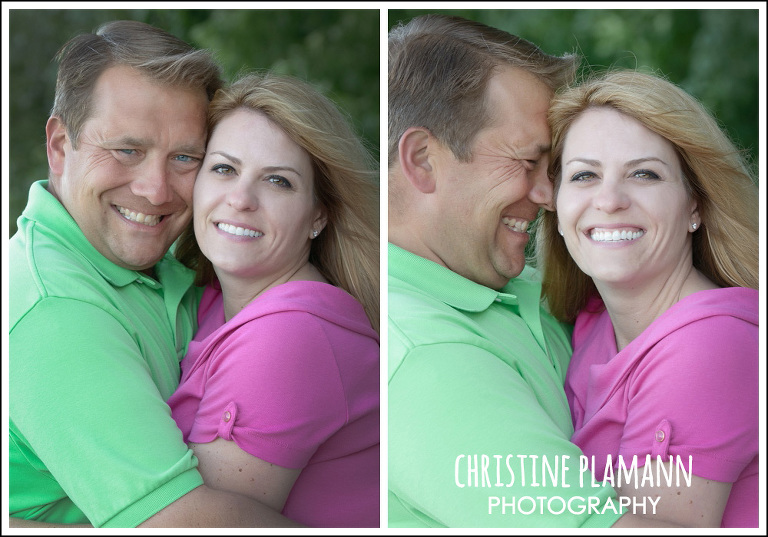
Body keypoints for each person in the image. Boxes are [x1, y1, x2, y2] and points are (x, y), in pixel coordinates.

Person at [9, 20, 299, 528]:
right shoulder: (53, 306)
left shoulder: (172, 267)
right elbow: (176, 523)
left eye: (185, 157)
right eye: (127, 150)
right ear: (59, 146)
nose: (156, 189)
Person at [387, 14, 669, 528]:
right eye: (526, 162)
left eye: (554, 169)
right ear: (423, 159)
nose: (548, 196)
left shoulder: (526, 288)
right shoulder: (423, 358)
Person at [536, 69, 759, 527]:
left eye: (644, 173)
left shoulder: (710, 345)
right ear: (556, 207)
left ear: (694, 205)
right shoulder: (585, 323)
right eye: (584, 175)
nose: (610, 199)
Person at [170, 72, 380, 528]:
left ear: (317, 216)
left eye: (278, 182)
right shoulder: (205, 303)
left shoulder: (291, 336)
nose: (241, 198)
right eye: (224, 168)